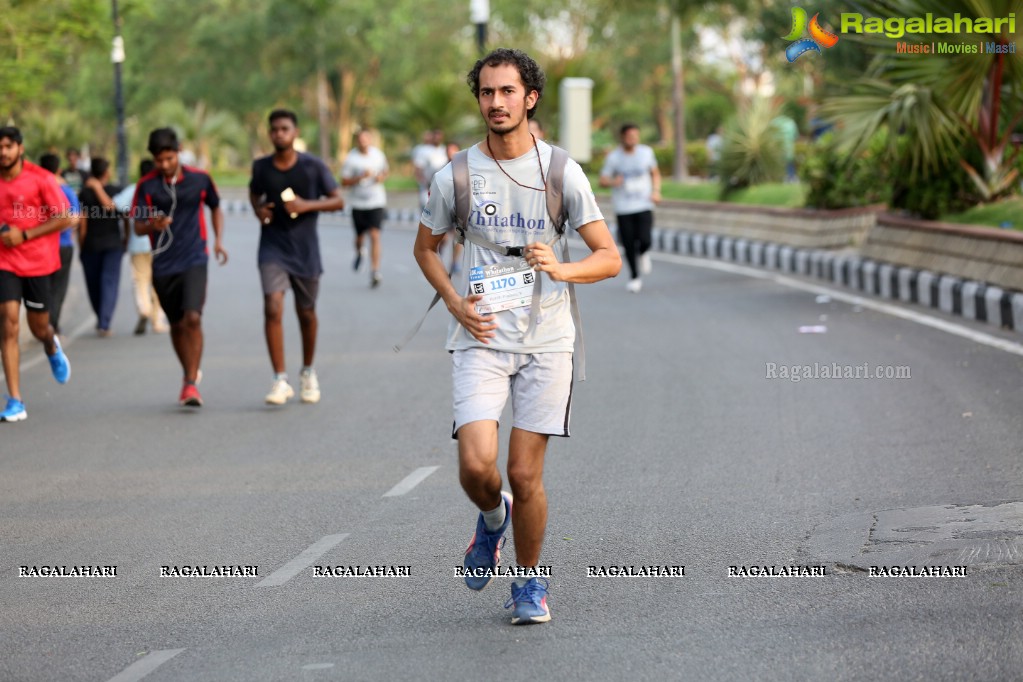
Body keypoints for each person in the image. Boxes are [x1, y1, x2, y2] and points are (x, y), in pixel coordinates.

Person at [413, 48, 620, 624]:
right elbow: (425, 249)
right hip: (480, 333)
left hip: (547, 339)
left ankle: (529, 584)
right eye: (486, 92)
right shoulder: (455, 174)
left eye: (507, 91)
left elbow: (609, 258)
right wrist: (455, 304)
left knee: (526, 474)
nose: (496, 102)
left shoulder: (560, 171)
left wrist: (561, 267)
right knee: (477, 468)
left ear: (530, 98)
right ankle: (492, 517)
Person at [249, 109, 344, 406]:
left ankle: (307, 371)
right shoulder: (262, 166)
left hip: (304, 250)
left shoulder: (313, 166)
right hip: (272, 247)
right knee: (272, 306)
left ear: (295, 132)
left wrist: (305, 205)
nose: (279, 133)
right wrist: (258, 209)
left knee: (306, 313)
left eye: (285, 129)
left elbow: (338, 200)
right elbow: (254, 193)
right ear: (269, 133)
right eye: (274, 129)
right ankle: (280, 379)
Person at [133, 127, 227, 407]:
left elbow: (216, 206)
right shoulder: (147, 186)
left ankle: (189, 383)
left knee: (193, 318)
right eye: (159, 160)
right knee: (176, 324)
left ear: (179, 151)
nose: (164, 165)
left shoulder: (200, 178)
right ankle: (188, 373)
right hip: (163, 264)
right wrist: (153, 224)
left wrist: (219, 241)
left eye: (169, 158)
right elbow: (138, 227)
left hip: (195, 258)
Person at [0, 127, 74, 422]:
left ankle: (50, 345)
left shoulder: (40, 178)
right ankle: (15, 400)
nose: (2, 152)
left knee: (39, 327)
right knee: (8, 325)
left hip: (38, 263)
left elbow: (67, 217)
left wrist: (25, 234)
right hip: (4, 262)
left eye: (7, 146)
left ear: (20, 148)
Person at [599, 123, 661, 293]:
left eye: (636, 136)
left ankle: (644, 252)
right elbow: (602, 180)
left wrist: (656, 191)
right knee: (628, 243)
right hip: (624, 207)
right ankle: (635, 277)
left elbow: (655, 173)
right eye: (629, 136)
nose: (633, 139)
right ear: (623, 137)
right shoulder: (614, 157)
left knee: (645, 239)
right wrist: (613, 182)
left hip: (644, 203)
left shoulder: (646, 153)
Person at [113, 160, 168, 335]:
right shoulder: (162, 189)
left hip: (137, 243)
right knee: (158, 281)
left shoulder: (133, 190)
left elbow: (117, 205)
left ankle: (144, 309)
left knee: (140, 281)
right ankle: (157, 320)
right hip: (159, 242)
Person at [78, 158, 124, 336]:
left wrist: (81, 244)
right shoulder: (115, 191)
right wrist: (125, 237)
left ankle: (102, 319)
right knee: (109, 283)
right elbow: (123, 216)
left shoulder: (85, 193)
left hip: (92, 245)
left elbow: (83, 223)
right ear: (106, 172)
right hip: (111, 244)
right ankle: (104, 321)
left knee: (94, 284)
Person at [340, 129, 388, 288]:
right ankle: (360, 251)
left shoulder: (378, 155)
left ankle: (375, 271)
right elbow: (344, 182)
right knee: (359, 237)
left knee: (375, 235)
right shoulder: (351, 158)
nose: (364, 142)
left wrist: (380, 177)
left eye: (366, 139)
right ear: (357, 141)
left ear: (370, 140)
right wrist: (360, 177)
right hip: (357, 203)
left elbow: (385, 171)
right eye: (360, 139)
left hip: (376, 202)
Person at [38, 153, 79, 335]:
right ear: (59, 169)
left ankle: (43, 322)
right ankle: (51, 323)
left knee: (43, 285)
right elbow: (75, 218)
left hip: (41, 245)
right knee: (59, 286)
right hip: (63, 244)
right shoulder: (67, 191)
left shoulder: (36, 188)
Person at [411, 129, 447, 210]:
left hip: (442, 188)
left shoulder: (444, 150)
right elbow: (418, 168)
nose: (437, 138)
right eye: (435, 136)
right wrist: (424, 182)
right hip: (426, 187)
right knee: (426, 211)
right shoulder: (423, 151)